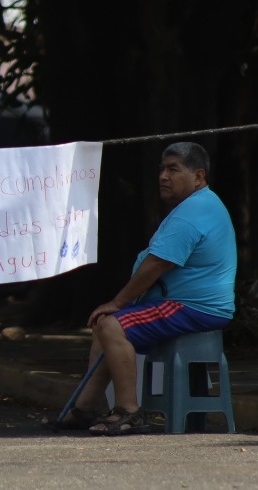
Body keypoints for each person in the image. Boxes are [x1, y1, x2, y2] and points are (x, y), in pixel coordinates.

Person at [50, 141, 237, 436]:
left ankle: (129, 411)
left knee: (113, 324)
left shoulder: (195, 211)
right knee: (104, 324)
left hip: (194, 306)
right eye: (162, 169)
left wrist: (118, 302)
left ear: (198, 176)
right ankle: (86, 408)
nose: (163, 176)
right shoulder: (195, 206)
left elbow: (157, 264)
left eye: (173, 169)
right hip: (183, 304)